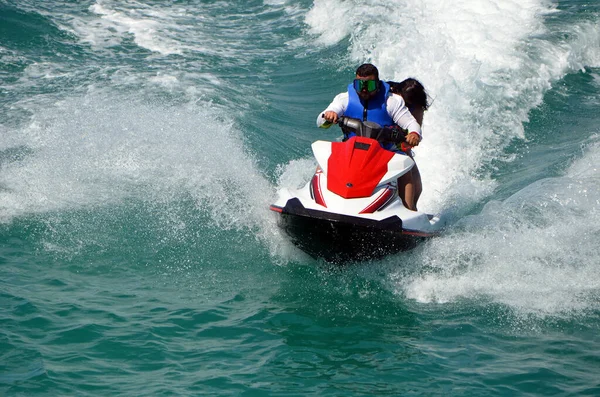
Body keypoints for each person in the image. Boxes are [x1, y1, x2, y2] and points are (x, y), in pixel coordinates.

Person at [316, 64, 423, 209]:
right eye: (360, 84)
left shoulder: (392, 102)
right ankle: (316, 199)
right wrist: (329, 115)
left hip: (385, 152)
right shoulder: (344, 98)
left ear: (378, 84)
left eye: (369, 84)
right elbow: (321, 120)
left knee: (405, 166)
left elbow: (412, 123)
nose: (364, 89)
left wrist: (414, 134)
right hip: (351, 150)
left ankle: (409, 211)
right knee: (325, 160)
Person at [387, 78, 430, 211]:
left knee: (417, 188)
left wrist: (409, 140)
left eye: (406, 104)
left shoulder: (417, 107)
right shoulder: (389, 93)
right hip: (378, 144)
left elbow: (412, 139)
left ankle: (410, 211)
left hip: (400, 147)